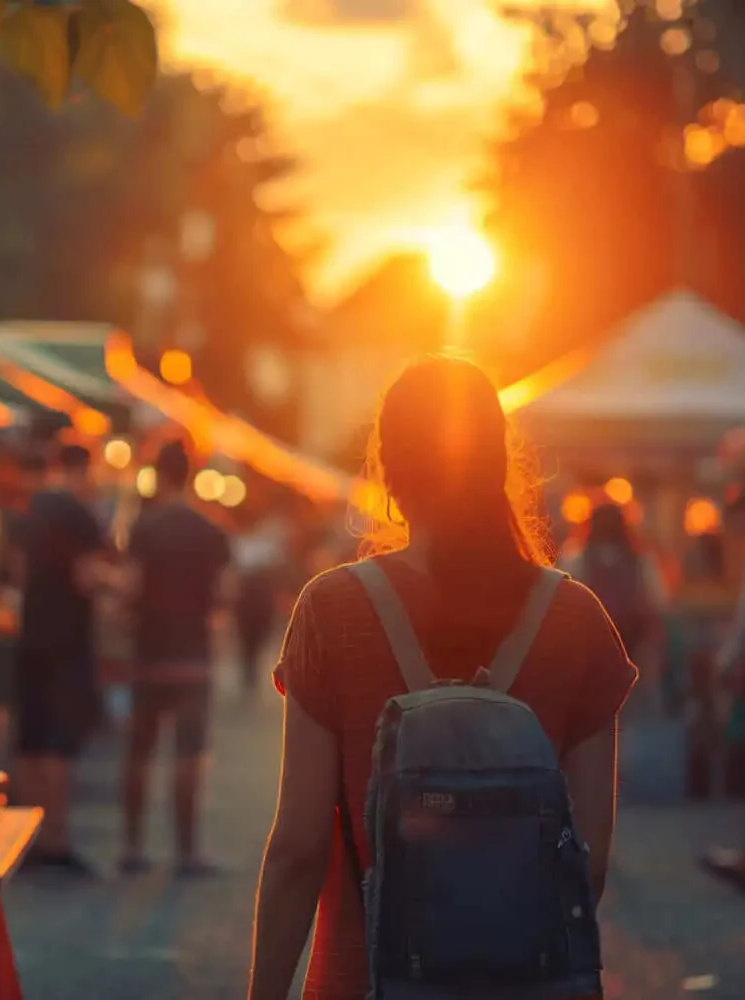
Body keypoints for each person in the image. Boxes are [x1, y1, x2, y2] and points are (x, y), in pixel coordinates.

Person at [249, 356, 637, 1000]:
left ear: (390, 476)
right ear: (498, 469)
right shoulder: (577, 621)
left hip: (363, 978)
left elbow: (297, 848)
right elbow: (588, 860)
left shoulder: (332, 610)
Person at [120, 440, 232, 875]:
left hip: (150, 655)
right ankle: (187, 852)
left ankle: (133, 848)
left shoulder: (144, 528)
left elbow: (131, 586)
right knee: (189, 755)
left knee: (140, 752)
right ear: (189, 474)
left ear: (158, 474)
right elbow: (225, 595)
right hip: (194, 658)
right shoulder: (211, 530)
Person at [15, 443, 107, 874]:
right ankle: (55, 842)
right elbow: (87, 577)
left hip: (31, 634)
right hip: (66, 640)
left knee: (30, 740)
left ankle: (26, 839)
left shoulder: (35, 507)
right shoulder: (79, 514)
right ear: (84, 468)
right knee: (58, 745)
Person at [559, 501, 668, 671]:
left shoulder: (576, 558)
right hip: (633, 648)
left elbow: (565, 606)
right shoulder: (641, 561)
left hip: (590, 648)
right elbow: (658, 603)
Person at [232, 515, 286, 694]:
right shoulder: (240, 543)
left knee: (259, 632)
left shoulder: (268, 545)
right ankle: (248, 666)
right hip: (246, 598)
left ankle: (251, 664)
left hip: (262, 598)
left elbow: (277, 572)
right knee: (246, 634)